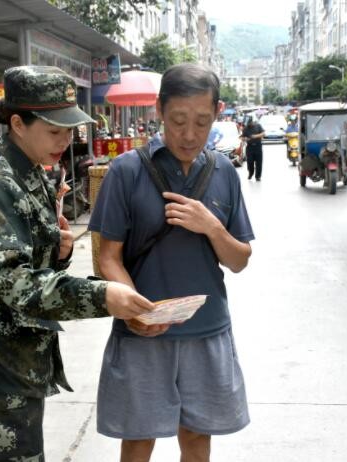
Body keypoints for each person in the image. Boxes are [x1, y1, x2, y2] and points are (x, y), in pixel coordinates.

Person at [0, 65, 155, 462]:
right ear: (17, 124)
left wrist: (57, 251)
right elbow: (15, 283)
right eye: (55, 131)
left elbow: (27, 266)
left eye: (70, 131)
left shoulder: (30, 173)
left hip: (18, 357)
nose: (66, 141)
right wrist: (102, 295)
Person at [89, 63, 254, 462]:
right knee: (139, 440)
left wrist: (212, 227)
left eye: (201, 121)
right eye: (179, 120)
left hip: (207, 330)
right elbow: (106, 256)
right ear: (159, 110)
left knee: (197, 439)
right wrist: (135, 311)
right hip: (144, 335)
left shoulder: (224, 172)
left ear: (218, 112)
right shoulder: (126, 171)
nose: (190, 134)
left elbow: (239, 260)